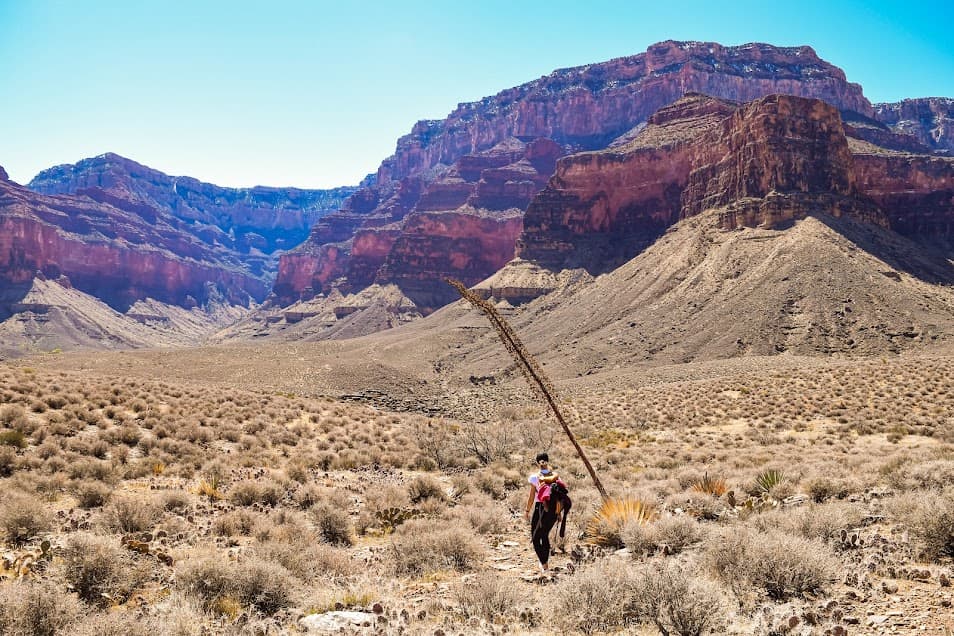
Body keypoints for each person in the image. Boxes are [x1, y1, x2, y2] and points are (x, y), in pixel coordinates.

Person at [524, 452, 562, 573]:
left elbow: (531, 497)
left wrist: (527, 511)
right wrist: (559, 513)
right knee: (544, 535)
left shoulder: (535, 478)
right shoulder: (556, 477)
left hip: (540, 509)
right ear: (547, 461)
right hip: (553, 511)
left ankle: (544, 563)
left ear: (537, 462)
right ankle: (545, 562)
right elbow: (559, 497)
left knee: (535, 538)